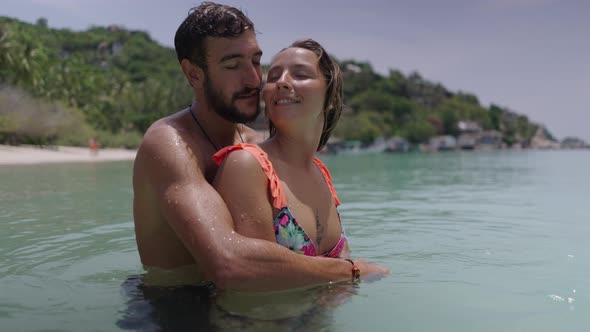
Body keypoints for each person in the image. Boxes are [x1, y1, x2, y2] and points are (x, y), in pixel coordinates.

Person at [132, 1, 388, 291]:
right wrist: (351, 271)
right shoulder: (169, 142)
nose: (254, 79)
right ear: (193, 74)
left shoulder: (257, 148)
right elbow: (228, 262)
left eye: (255, 60)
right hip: (171, 313)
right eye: (233, 65)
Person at [213, 39, 352, 260]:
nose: (282, 82)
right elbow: (256, 275)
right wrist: (353, 272)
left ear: (330, 98)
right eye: (274, 76)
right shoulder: (247, 165)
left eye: (300, 75)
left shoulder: (321, 173)